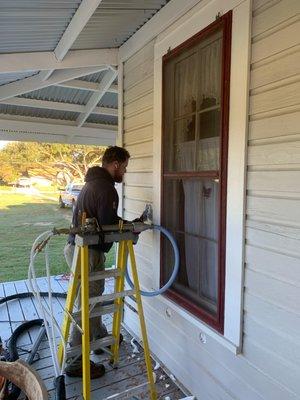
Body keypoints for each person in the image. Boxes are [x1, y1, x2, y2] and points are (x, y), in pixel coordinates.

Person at [63, 146, 130, 378]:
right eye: (124, 167)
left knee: (93, 299)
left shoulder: (92, 184)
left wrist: (127, 223)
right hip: (87, 252)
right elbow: (108, 226)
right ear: (115, 164)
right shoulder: (107, 189)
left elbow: (106, 220)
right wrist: (130, 230)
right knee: (88, 306)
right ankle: (75, 360)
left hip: (77, 249)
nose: (124, 172)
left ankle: (100, 337)